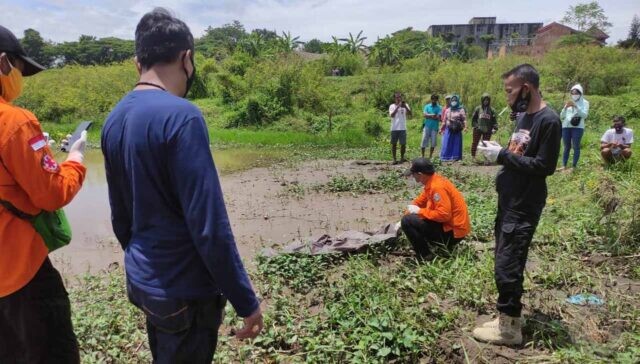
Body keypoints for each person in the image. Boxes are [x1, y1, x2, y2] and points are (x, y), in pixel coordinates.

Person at [101, 9, 262, 362]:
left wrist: (143, 261)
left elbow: (120, 217)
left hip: (144, 282)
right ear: (186, 58)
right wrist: (246, 301)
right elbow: (209, 227)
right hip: (185, 291)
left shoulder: (113, 119)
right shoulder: (182, 116)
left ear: (136, 62)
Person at [0, 25, 87, 363]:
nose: (20, 79)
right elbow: (52, 194)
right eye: (20, 70)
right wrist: (75, 158)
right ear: (4, 64)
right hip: (21, 275)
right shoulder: (15, 122)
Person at [475, 64, 561, 346]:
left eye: (510, 91)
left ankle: (509, 329)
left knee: (508, 264)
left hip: (524, 203)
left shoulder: (548, 121)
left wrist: (502, 156)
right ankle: (507, 317)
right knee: (503, 257)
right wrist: (500, 151)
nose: (507, 97)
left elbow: (544, 166)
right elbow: (518, 153)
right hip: (509, 199)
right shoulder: (524, 116)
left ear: (526, 88)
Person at [401, 158, 471, 260]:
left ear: (420, 174)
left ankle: (425, 255)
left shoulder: (437, 187)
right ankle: (434, 246)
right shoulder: (432, 181)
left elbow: (444, 215)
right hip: (450, 227)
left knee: (407, 222)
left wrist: (419, 212)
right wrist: (407, 213)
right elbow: (418, 202)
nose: (413, 176)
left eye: (413, 174)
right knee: (408, 218)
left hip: (454, 233)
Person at [559, 84, 589, 170]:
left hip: (578, 127)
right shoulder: (569, 102)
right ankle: (564, 165)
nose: (574, 95)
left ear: (580, 93)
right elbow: (561, 116)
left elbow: (585, 115)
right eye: (572, 93)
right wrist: (565, 108)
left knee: (576, 146)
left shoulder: (585, 103)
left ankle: (574, 166)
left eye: (576, 93)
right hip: (566, 127)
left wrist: (576, 107)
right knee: (566, 146)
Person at [471, 93, 498, 160]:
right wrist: (476, 126)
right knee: (475, 143)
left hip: (487, 130)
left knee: (486, 145)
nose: (486, 101)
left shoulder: (492, 110)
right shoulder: (478, 109)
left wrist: (495, 128)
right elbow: (474, 119)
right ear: (482, 100)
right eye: (484, 100)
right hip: (478, 129)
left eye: (487, 100)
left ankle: (485, 159)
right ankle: (473, 157)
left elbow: (494, 121)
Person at [440, 94, 466, 162]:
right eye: (452, 100)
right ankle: (446, 157)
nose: (454, 101)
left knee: (456, 143)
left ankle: (455, 157)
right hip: (449, 129)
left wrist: (465, 127)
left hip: (457, 129)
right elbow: (444, 121)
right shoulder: (448, 110)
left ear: (457, 101)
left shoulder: (461, 109)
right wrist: (441, 128)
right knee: (447, 143)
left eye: (455, 100)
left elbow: (464, 119)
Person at [389, 92, 412, 164]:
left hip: (403, 128)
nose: (398, 99)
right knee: (394, 144)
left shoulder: (405, 105)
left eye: (400, 97)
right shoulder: (392, 106)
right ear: (394, 98)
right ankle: (394, 159)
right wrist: (398, 107)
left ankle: (402, 158)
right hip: (394, 128)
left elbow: (410, 114)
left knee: (403, 144)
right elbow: (392, 115)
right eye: (397, 97)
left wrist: (405, 106)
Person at [421, 94, 442, 159]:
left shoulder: (439, 107)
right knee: (424, 141)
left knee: (433, 143)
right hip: (427, 126)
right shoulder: (427, 106)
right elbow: (424, 115)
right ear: (431, 99)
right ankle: (423, 156)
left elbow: (438, 117)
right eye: (433, 99)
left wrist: (429, 116)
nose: (434, 100)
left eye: (435, 99)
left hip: (434, 127)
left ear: (437, 100)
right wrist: (432, 115)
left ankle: (430, 156)